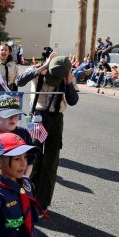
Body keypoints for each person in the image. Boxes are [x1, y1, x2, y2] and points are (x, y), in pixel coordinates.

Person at [16, 53, 79, 211]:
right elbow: (19, 81)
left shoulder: (67, 76)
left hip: (56, 119)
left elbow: (72, 101)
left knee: (50, 163)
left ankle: (42, 203)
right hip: (36, 117)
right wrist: (42, 68)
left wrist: (69, 84)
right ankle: (27, 198)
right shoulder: (38, 69)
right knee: (33, 159)